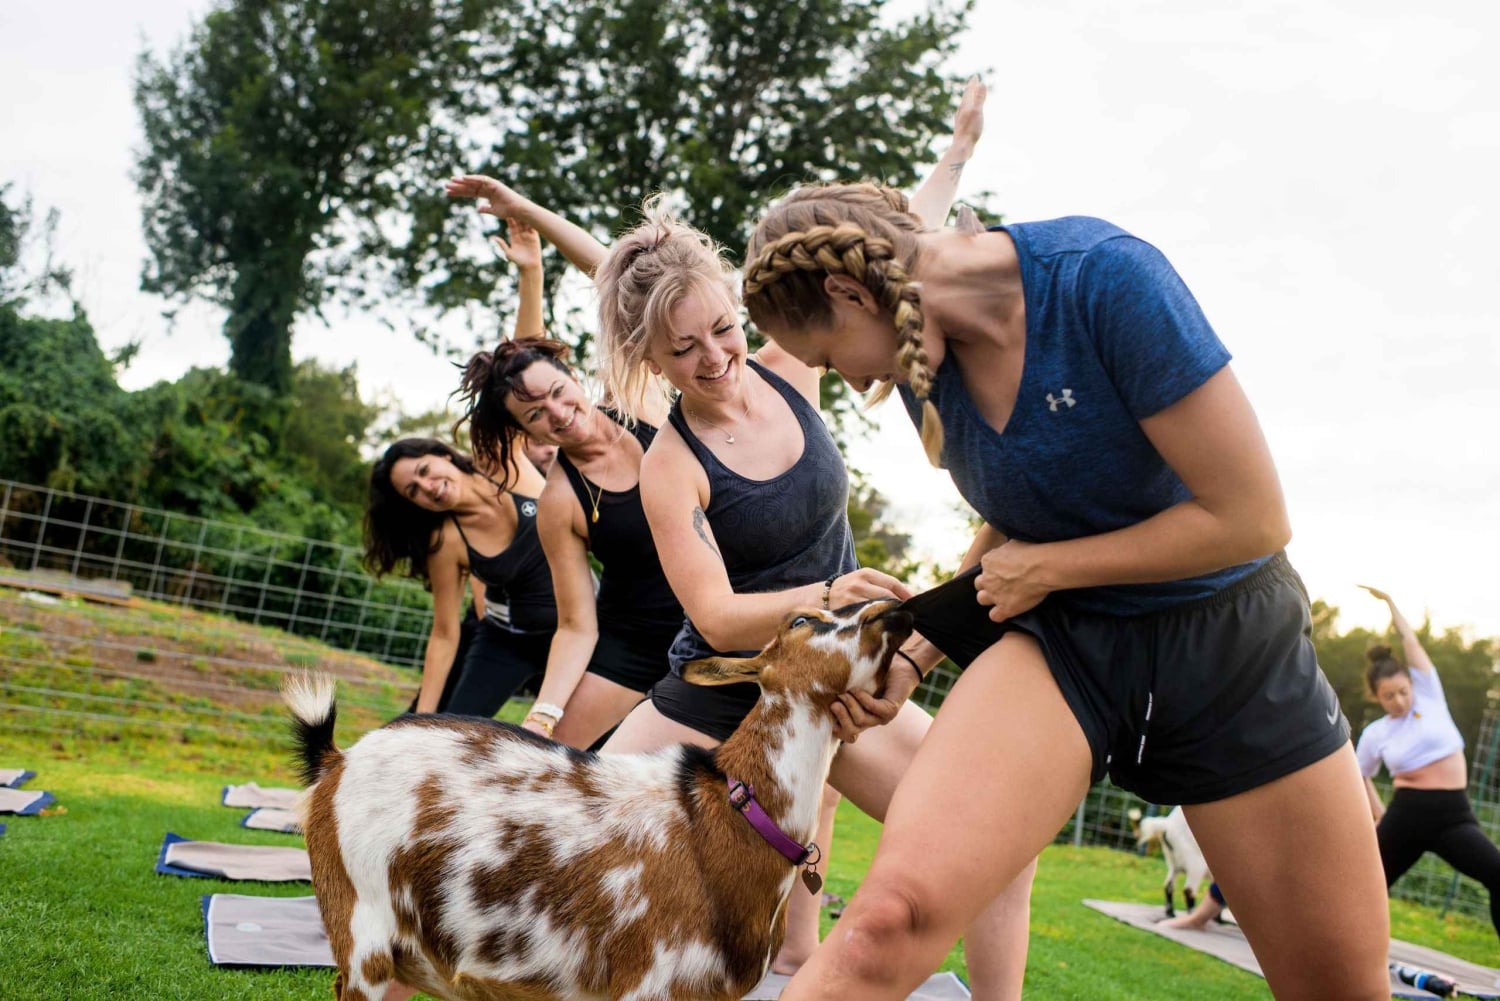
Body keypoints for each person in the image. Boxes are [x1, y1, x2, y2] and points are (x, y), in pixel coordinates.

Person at [739, 185, 1390, 999]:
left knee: (1340, 986)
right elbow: (1018, 520)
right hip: (1068, 644)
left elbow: (1252, 517)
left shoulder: (1104, 280)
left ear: (849, 292)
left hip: (1228, 647)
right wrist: (914, 656)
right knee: (886, 922)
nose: (849, 379)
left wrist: (1050, 569)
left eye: (830, 357)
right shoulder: (916, 360)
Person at [454, 79, 1023, 998]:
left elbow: (893, 246)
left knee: (999, 841)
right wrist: (826, 596)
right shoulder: (670, 464)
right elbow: (717, 617)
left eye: (722, 329)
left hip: (834, 681)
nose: (714, 358)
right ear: (647, 359)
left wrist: (957, 149)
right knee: (550, 855)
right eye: (683, 351)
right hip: (720, 691)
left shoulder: (794, 367)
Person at [363, 437, 555, 719]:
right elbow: (444, 634)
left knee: (598, 736)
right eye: (413, 491)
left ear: (444, 455)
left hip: (577, 631)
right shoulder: (446, 541)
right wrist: (422, 718)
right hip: (508, 642)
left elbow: (511, 413)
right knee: (448, 732)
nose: (427, 487)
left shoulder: (499, 463)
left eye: (425, 470)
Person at [1357, 584, 1500, 941]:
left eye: (1403, 691)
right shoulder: (1376, 733)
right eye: (1388, 696)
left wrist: (1390, 603)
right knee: (1366, 887)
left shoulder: (1430, 696)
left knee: (1497, 874)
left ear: (1413, 684)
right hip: (1407, 814)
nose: (1399, 701)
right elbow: (1360, 776)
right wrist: (1379, 814)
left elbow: (1411, 642)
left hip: (1454, 815)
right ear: (1377, 698)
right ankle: (1341, 956)